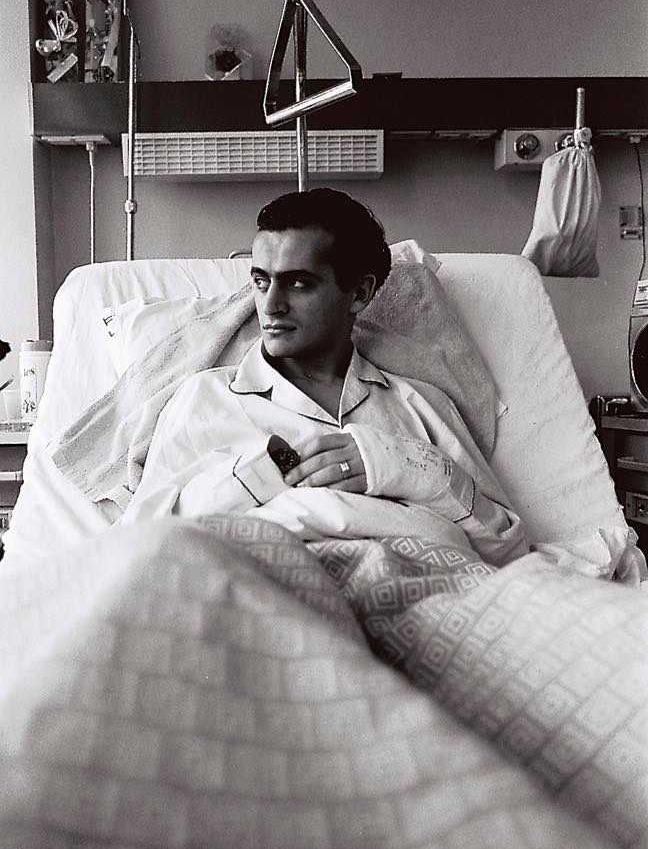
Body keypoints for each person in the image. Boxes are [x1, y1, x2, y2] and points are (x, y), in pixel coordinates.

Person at [121, 188, 528, 566]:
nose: (271, 305)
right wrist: (257, 474)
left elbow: (506, 549)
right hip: (261, 587)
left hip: (422, 591)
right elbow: (136, 547)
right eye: (261, 281)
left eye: (298, 283)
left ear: (359, 293)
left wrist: (400, 465)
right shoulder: (206, 397)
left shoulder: (419, 404)